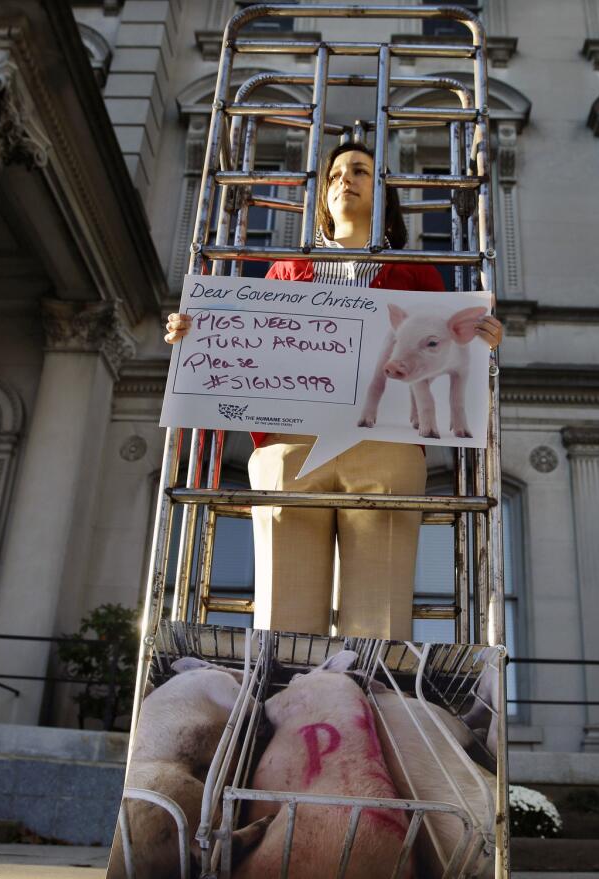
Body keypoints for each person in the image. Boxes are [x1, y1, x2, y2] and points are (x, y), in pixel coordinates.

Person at [165, 141, 502, 640]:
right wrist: (194, 331)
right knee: (283, 609)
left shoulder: (418, 276)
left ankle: (366, 705)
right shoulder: (285, 268)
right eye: (337, 173)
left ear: (382, 193)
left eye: (361, 170)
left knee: (379, 614)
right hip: (291, 446)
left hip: (386, 445)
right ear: (322, 195)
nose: (346, 179)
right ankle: (282, 703)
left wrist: (482, 340)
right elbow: (251, 340)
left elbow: (451, 353)